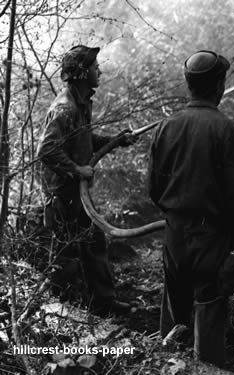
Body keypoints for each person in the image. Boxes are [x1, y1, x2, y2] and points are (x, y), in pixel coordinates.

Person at [148, 50, 234, 366]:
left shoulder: (166, 126)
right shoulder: (225, 130)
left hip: (175, 232)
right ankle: (205, 367)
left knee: (175, 302)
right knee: (209, 302)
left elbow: (153, 188)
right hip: (211, 236)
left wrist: (175, 214)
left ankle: (166, 364)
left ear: (188, 85)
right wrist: (232, 244)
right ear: (218, 86)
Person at [37, 45, 136, 315]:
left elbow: (84, 140)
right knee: (66, 253)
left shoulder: (80, 105)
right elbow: (46, 150)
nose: (99, 70)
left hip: (77, 193)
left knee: (94, 242)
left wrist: (116, 141)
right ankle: (62, 313)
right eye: (95, 67)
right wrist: (79, 170)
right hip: (62, 195)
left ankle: (103, 302)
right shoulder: (65, 109)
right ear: (82, 73)